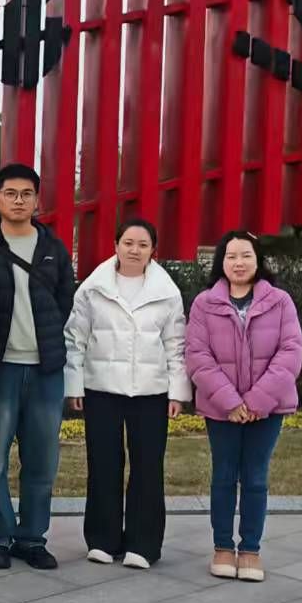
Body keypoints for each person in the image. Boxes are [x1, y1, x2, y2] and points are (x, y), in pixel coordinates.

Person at [63, 217, 191, 569]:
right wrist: (75, 384)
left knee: (148, 467)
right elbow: (76, 339)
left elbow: (176, 344)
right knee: (103, 464)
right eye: (128, 243)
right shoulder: (93, 288)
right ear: (116, 245)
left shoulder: (167, 292)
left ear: (153, 250)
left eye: (143, 245)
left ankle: (143, 544)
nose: (135, 250)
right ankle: (102, 540)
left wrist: (176, 393)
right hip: (101, 388)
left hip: (151, 391)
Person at [0, 162, 77, 571]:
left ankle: (32, 538)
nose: (19, 201)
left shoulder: (53, 249)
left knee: (41, 461)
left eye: (27, 194)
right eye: (11, 193)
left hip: (45, 370)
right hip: (0, 371)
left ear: (36, 201)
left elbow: (64, 300)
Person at [185, 230, 302, 584]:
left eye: (246, 255)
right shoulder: (205, 303)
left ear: (258, 260)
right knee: (223, 476)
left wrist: (255, 402)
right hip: (221, 409)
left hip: (267, 410)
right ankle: (223, 547)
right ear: (221, 262)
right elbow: (197, 356)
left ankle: (250, 549)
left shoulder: (280, 301)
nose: (239, 263)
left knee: (255, 477)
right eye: (231, 256)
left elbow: (290, 353)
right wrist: (231, 402)